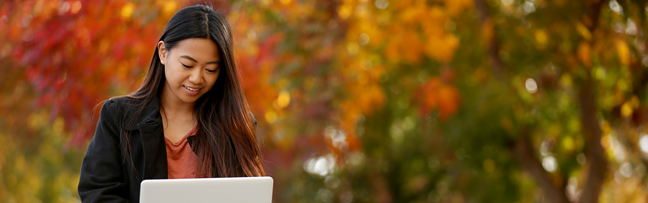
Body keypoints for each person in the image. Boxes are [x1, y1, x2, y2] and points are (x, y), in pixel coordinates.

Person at [78, 5, 265, 202]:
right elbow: (97, 193)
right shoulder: (119, 116)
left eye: (210, 70)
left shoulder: (235, 125)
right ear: (163, 52)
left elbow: (250, 193)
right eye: (187, 65)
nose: (196, 78)